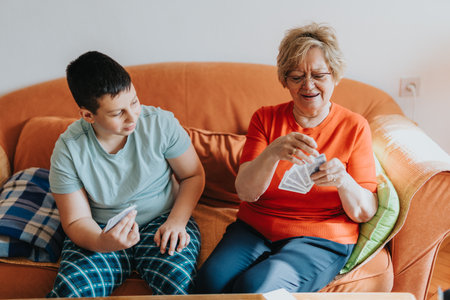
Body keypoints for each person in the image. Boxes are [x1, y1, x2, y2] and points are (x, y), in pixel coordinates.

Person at [195, 23, 378, 293]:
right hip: (255, 228)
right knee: (208, 284)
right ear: (284, 80)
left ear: (334, 76)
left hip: (320, 238)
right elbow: (246, 192)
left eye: (319, 75)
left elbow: (365, 211)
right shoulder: (265, 118)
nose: (308, 85)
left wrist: (343, 180)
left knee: (256, 288)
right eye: (296, 77)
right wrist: (271, 153)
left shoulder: (354, 126)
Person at [47, 51, 205, 297]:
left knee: (178, 285)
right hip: (100, 229)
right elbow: (76, 220)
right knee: (71, 291)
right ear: (88, 115)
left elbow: (193, 175)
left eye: (134, 102)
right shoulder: (69, 149)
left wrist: (177, 221)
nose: (133, 117)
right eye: (117, 113)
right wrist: (103, 242)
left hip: (163, 219)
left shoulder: (161, 124)